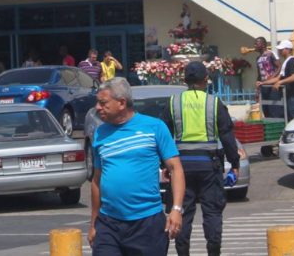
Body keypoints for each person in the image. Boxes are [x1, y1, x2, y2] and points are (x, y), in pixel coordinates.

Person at [90, 77, 185, 256]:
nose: (97, 107)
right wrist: (94, 224)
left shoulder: (154, 127)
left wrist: (176, 209)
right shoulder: (100, 133)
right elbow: (96, 181)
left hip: (147, 224)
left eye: (103, 103)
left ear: (121, 103)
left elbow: (175, 169)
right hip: (108, 223)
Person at [161, 61, 239, 256]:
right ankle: (213, 251)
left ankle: (183, 253)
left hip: (181, 168)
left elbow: (163, 136)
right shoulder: (214, 103)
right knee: (212, 212)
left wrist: (164, 164)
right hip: (209, 166)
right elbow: (227, 136)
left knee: (182, 213)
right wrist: (234, 164)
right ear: (205, 80)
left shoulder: (173, 102)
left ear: (185, 80)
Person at [260, 40, 294, 121]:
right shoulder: (286, 62)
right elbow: (277, 78)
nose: (279, 51)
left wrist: (280, 82)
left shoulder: (292, 61)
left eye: (281, 49)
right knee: (289, 119)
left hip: (293, 97)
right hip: (288, 97)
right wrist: (262, 83)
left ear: (288, 49)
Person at [253, 37, 279, 118]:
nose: (255, 45)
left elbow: (279, 67)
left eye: (256, 43)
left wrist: (272, 78)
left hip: (271, 86)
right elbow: (259, 73)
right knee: (265, 109)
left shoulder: (270, 54)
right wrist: (257, 88)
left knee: (273, 109)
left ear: (263, 44)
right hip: (263, 86)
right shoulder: (258, 58)